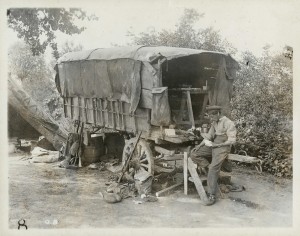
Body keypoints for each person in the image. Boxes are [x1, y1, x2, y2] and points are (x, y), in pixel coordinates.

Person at [191, 105, 237, 205]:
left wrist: (218, 144)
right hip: (214, 145)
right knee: (194, 154)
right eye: (210, 117)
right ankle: (209, 168)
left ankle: (211, 195)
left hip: (223, 147)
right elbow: (208, 137)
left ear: (218, 114)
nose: (211, 119)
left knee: (213, 168)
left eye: (212, 116)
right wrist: (199, 146)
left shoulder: (228, 123)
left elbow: (231, 141)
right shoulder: (214, 123)